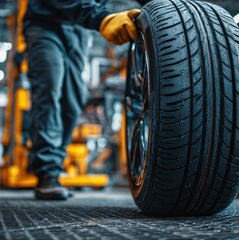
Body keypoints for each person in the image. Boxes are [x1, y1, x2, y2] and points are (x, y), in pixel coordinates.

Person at [18, 0, 150, 200]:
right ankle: (48, 171)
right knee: (49, 89)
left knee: (73, 100)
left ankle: (54, 164)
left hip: (78, 31)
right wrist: (101, 18)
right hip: (45, 23)